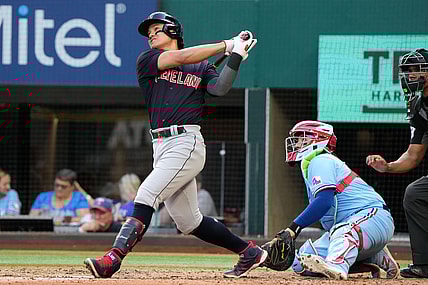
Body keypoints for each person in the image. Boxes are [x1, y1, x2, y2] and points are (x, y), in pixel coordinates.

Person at [84, 11, 264, 279]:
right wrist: (227, 45)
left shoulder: (202, 67)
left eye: (157, 29)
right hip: (161, 144)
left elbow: (218, 90)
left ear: (173, 31)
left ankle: (113, 258)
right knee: (189, 221)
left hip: (186, 141)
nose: (151, 35)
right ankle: (249, 251)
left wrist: (236, 56)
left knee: (145, 194)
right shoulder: (148, 61)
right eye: (149, 33)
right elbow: (180, 58)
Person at [266, 120, 399, 280]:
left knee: (343, 232)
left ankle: (337, 266)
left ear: (315, 139)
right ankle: (377, 258)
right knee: (302, 260)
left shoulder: (321, 159)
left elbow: (324, 201)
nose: (296, 143)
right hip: (359, 230)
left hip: (374, 217)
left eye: (301, 138)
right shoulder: (313, 163)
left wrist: (293, 229)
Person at [366, 48, 428, 278]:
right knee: (416, 193)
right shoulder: (419, 107)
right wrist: (389, 166)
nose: (411, 75)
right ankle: (424, 264)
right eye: (407, 71)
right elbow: (413, 156)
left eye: (418, 69)